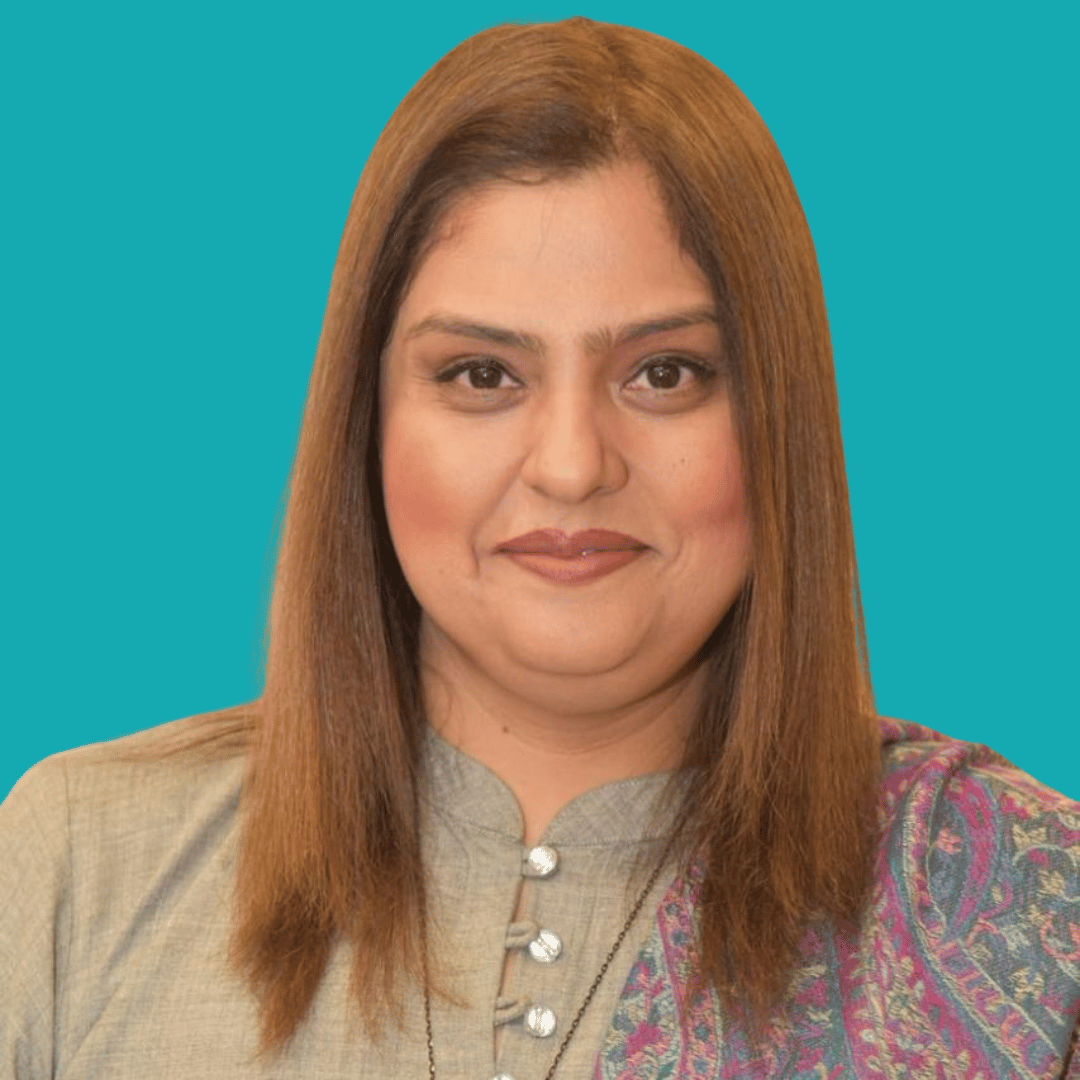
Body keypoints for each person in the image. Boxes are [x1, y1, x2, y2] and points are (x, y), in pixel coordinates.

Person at [2, 16, 1077, 1080]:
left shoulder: (1021, 907)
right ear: (366, 423)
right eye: (482, 375)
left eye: (664, 373)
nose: (571, 466)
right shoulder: (77, 873)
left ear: (778, 423)